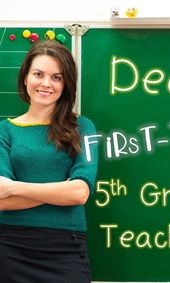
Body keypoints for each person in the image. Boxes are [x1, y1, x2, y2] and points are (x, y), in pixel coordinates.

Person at [0, 39, 98, 283]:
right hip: (10, 246)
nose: (46, 83)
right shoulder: (5, 131)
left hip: (66, 247)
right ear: (25, 78)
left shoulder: (83, 128)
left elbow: (79, 193)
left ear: (66, 84)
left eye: (57, 77)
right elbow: (2, 201)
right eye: (38, 74)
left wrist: (15, 187)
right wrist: (59, 189)